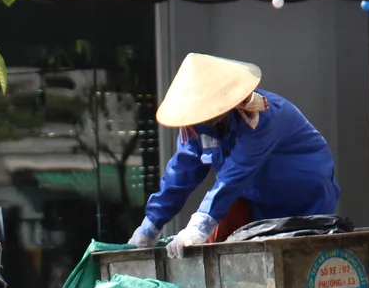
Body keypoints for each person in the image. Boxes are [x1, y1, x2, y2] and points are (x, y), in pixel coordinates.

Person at [128, 52, 341, 255]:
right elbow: (181, 173)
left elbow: (233, 175)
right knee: (216, 248)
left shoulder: (262, 115)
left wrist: (198, 226)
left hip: (303, 199)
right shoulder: (197, 127)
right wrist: (150, 227)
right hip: (255, 199)